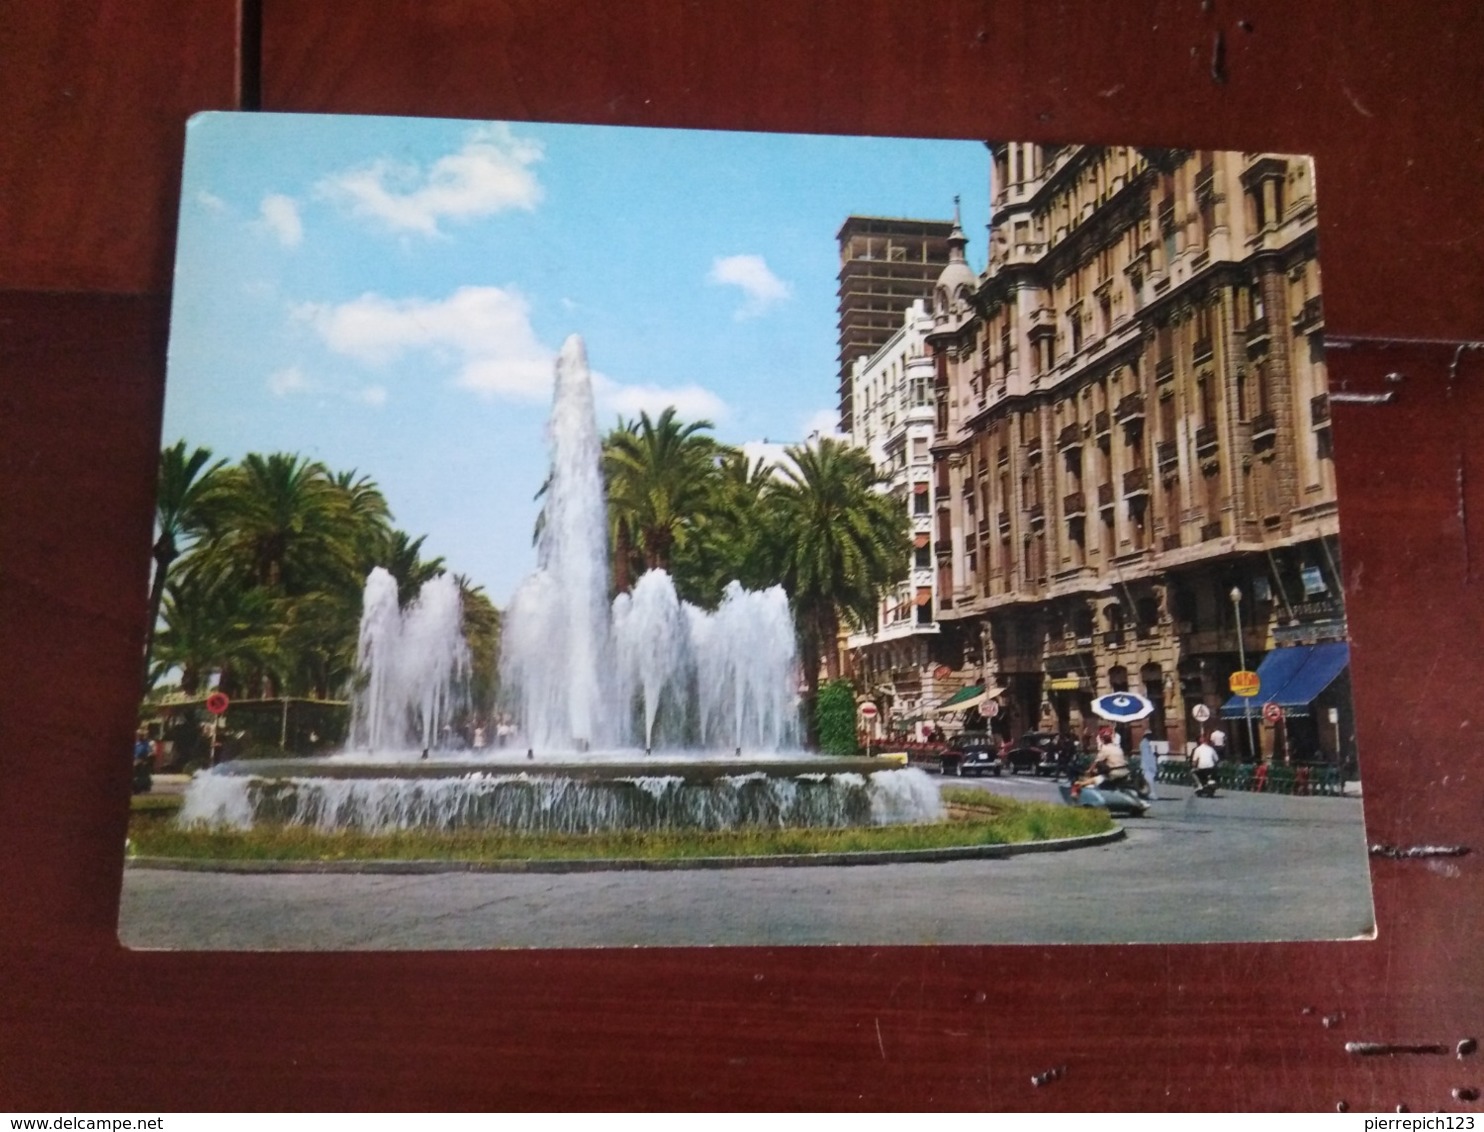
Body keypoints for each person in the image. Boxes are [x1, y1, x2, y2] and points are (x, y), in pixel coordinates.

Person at [1192, 731, 1220, 796]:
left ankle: (1199, 785)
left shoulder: (1198, 749)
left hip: (1202, 768)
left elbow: (1194, 761)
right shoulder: (1211, 749)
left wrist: (1194, 766)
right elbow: (1216, 759)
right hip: (1211, 768)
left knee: (1192, 772)